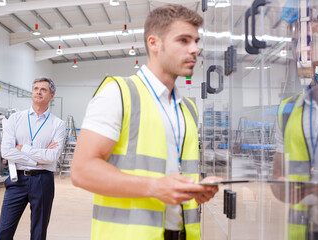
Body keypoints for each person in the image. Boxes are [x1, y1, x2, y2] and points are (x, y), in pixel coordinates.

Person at [71, 4, 221, 240]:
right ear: (154, 43)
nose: (194, 49)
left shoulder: (187, 109)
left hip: (181, 233)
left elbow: (171, 170)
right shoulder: (118, 93)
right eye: (183, 40)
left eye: (196, 41)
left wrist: (196, 187)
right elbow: (81, 171)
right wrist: (154, 187)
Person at [271, 1, 318, 239]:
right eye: (297, 43)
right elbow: (277, 180)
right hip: (303, 232)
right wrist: (286, 188)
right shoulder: (288, 110)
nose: (303, 52)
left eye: (312, 42)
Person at [0, 77, 66, 240]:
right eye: (36, 89)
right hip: (16, 180)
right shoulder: (15, 119)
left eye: (43, 89)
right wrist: (37, 160)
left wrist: (23, 149)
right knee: (4, 231)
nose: (38, 92)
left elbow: (52, 156)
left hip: (43, 180)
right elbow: (6, 151)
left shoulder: (58, 124)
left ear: (52, 95)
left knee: (38, 232)